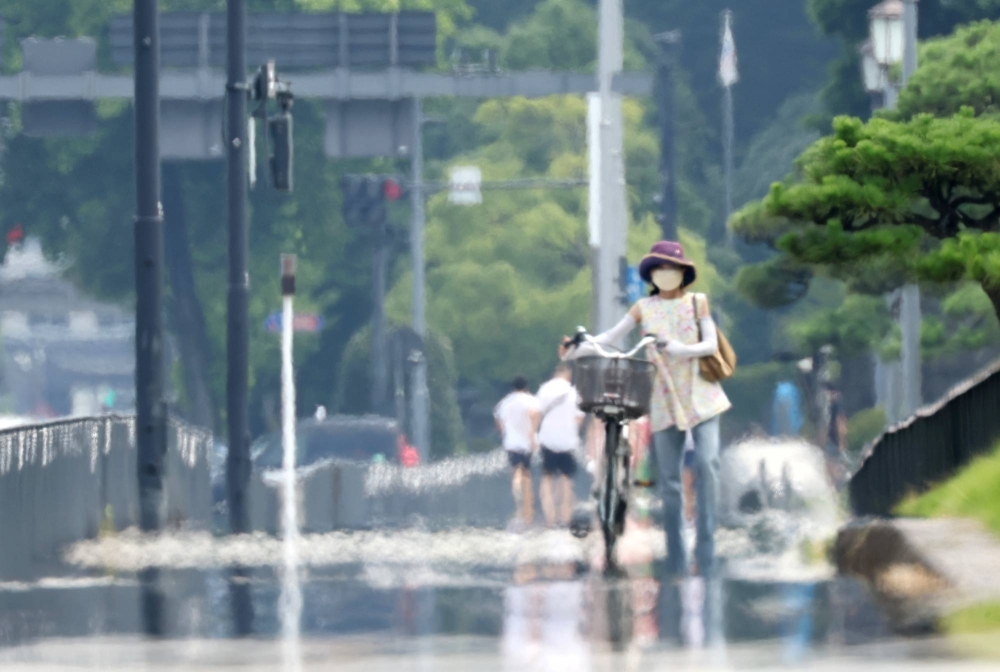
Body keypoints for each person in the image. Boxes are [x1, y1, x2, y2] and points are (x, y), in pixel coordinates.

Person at [564, 240, 731, 577]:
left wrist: (680, 348)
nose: (666, 274)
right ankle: (676, 554)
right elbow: (613, 335)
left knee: (708, 465)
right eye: (659, 268)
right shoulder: (643, 307)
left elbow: (710, 343)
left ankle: (707, 548)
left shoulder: (697, 303)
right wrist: (582, 348)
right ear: (652, 274)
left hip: (701, 395)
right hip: (664, 398)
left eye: (672, 268)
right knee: (668, 481)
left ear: (683, 273)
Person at [535, 363, 585, 527]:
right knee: (566, 479)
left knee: (547, 479)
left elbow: (536, 413)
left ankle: (550, 519)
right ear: (568, 375)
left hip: (548, 439)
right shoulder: (573, 392)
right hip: (567, 441)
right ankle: (566, 517)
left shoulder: (544, 390)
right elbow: (579, 418)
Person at [495, 375, 541, 527]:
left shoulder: (505, 402)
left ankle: (518, 504)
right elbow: (534, 414)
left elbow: (499, 420)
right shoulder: (531, 400)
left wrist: (504, 432)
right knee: (526, 474)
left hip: (511, 443)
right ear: (526, 387)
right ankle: (528, 511)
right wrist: (532, 432)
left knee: (515, 472)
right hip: (526, 443)